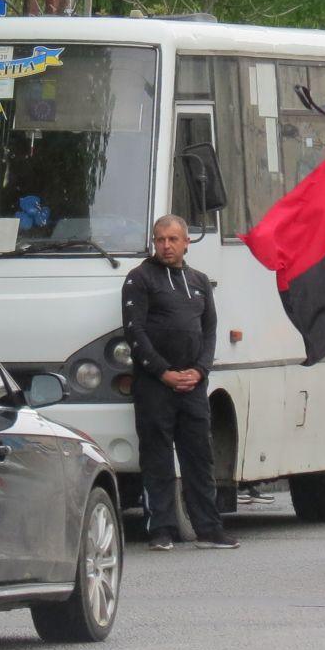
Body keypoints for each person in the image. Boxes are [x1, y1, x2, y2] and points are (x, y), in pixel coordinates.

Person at [121, 215, 231, 550]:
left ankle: (209, 529)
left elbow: (209, 329)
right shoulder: (139, 279)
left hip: (193, 384)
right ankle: (162, 530)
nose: (166, 246)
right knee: (157, 457)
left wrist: (200, 370)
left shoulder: (198, 281)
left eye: (172, 239)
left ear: (186, 242)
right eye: (160, 240)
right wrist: (162, 372)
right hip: (155, 383)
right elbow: (134, 331)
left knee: (199, 455)